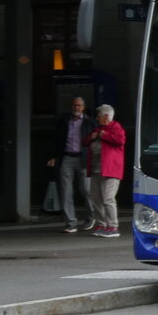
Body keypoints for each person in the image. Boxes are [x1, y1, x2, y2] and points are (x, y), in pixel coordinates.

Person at [48, 95, 97, 233]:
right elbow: (56, 139)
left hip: (83, 158)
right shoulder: (64, 121)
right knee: (66, 191)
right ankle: (71, 222)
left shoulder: (89, 122)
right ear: (72, 106)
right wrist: (54, 156)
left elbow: (95, 141)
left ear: (83, 107)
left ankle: (91, 216)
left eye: (79, 105)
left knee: (86, 190)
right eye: (75, 105)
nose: (77, 108)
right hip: (67, 158)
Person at [87, 104, 126, 238]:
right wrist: (91, 137)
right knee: (96, 198)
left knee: (108, 198)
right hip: (97, 169)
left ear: (106, 116)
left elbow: (121, 140)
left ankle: (113, 226)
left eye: (99, 115)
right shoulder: (98, 129)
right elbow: (85, 142)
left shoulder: (115, 127)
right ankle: (101, 224)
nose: (97, 118)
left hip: (111, 170)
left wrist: (105, 135)